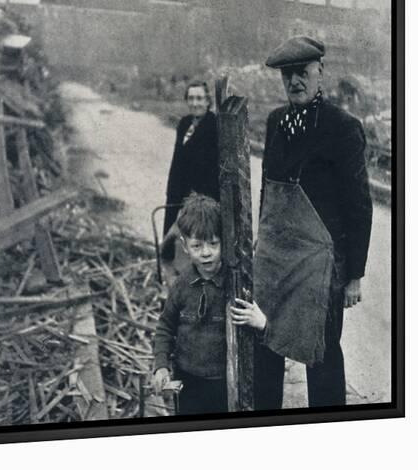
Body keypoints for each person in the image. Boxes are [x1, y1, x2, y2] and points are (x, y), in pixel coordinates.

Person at [253, 36, 373, 410]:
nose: (295, 82)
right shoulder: (275, 122)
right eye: (288, 75)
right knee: (266, 343)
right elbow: (267, 192)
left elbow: (359, 204)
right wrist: (262, 243)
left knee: (320, 354)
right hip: (276, 262)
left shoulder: (342, 127)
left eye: (303, 73)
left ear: (320, 72)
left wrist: (353, 274)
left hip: (322, 267)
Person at [152, 193, 267, 415]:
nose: (206, 253)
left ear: (224, 241)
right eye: (197, 246)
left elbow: (264, 337)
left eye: (213, 244)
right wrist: (161, 365)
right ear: (185, 247)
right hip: (187, 380)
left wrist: (260, 323)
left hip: (226, 382)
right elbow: (165, 327)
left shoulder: (238, 286)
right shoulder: (181, 285)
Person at [161, 81, 219, 266]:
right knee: (169, 244)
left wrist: (195, 199)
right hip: (177, 191)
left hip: (200, 197)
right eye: (191, 98)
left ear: (208, 101)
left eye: (200, 98)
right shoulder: (184, 123)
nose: (195, 103)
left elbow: (212, 169)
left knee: (197, 241)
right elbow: (177, 160)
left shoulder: (215, 126)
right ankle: (170, 279)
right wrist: (172, 191)